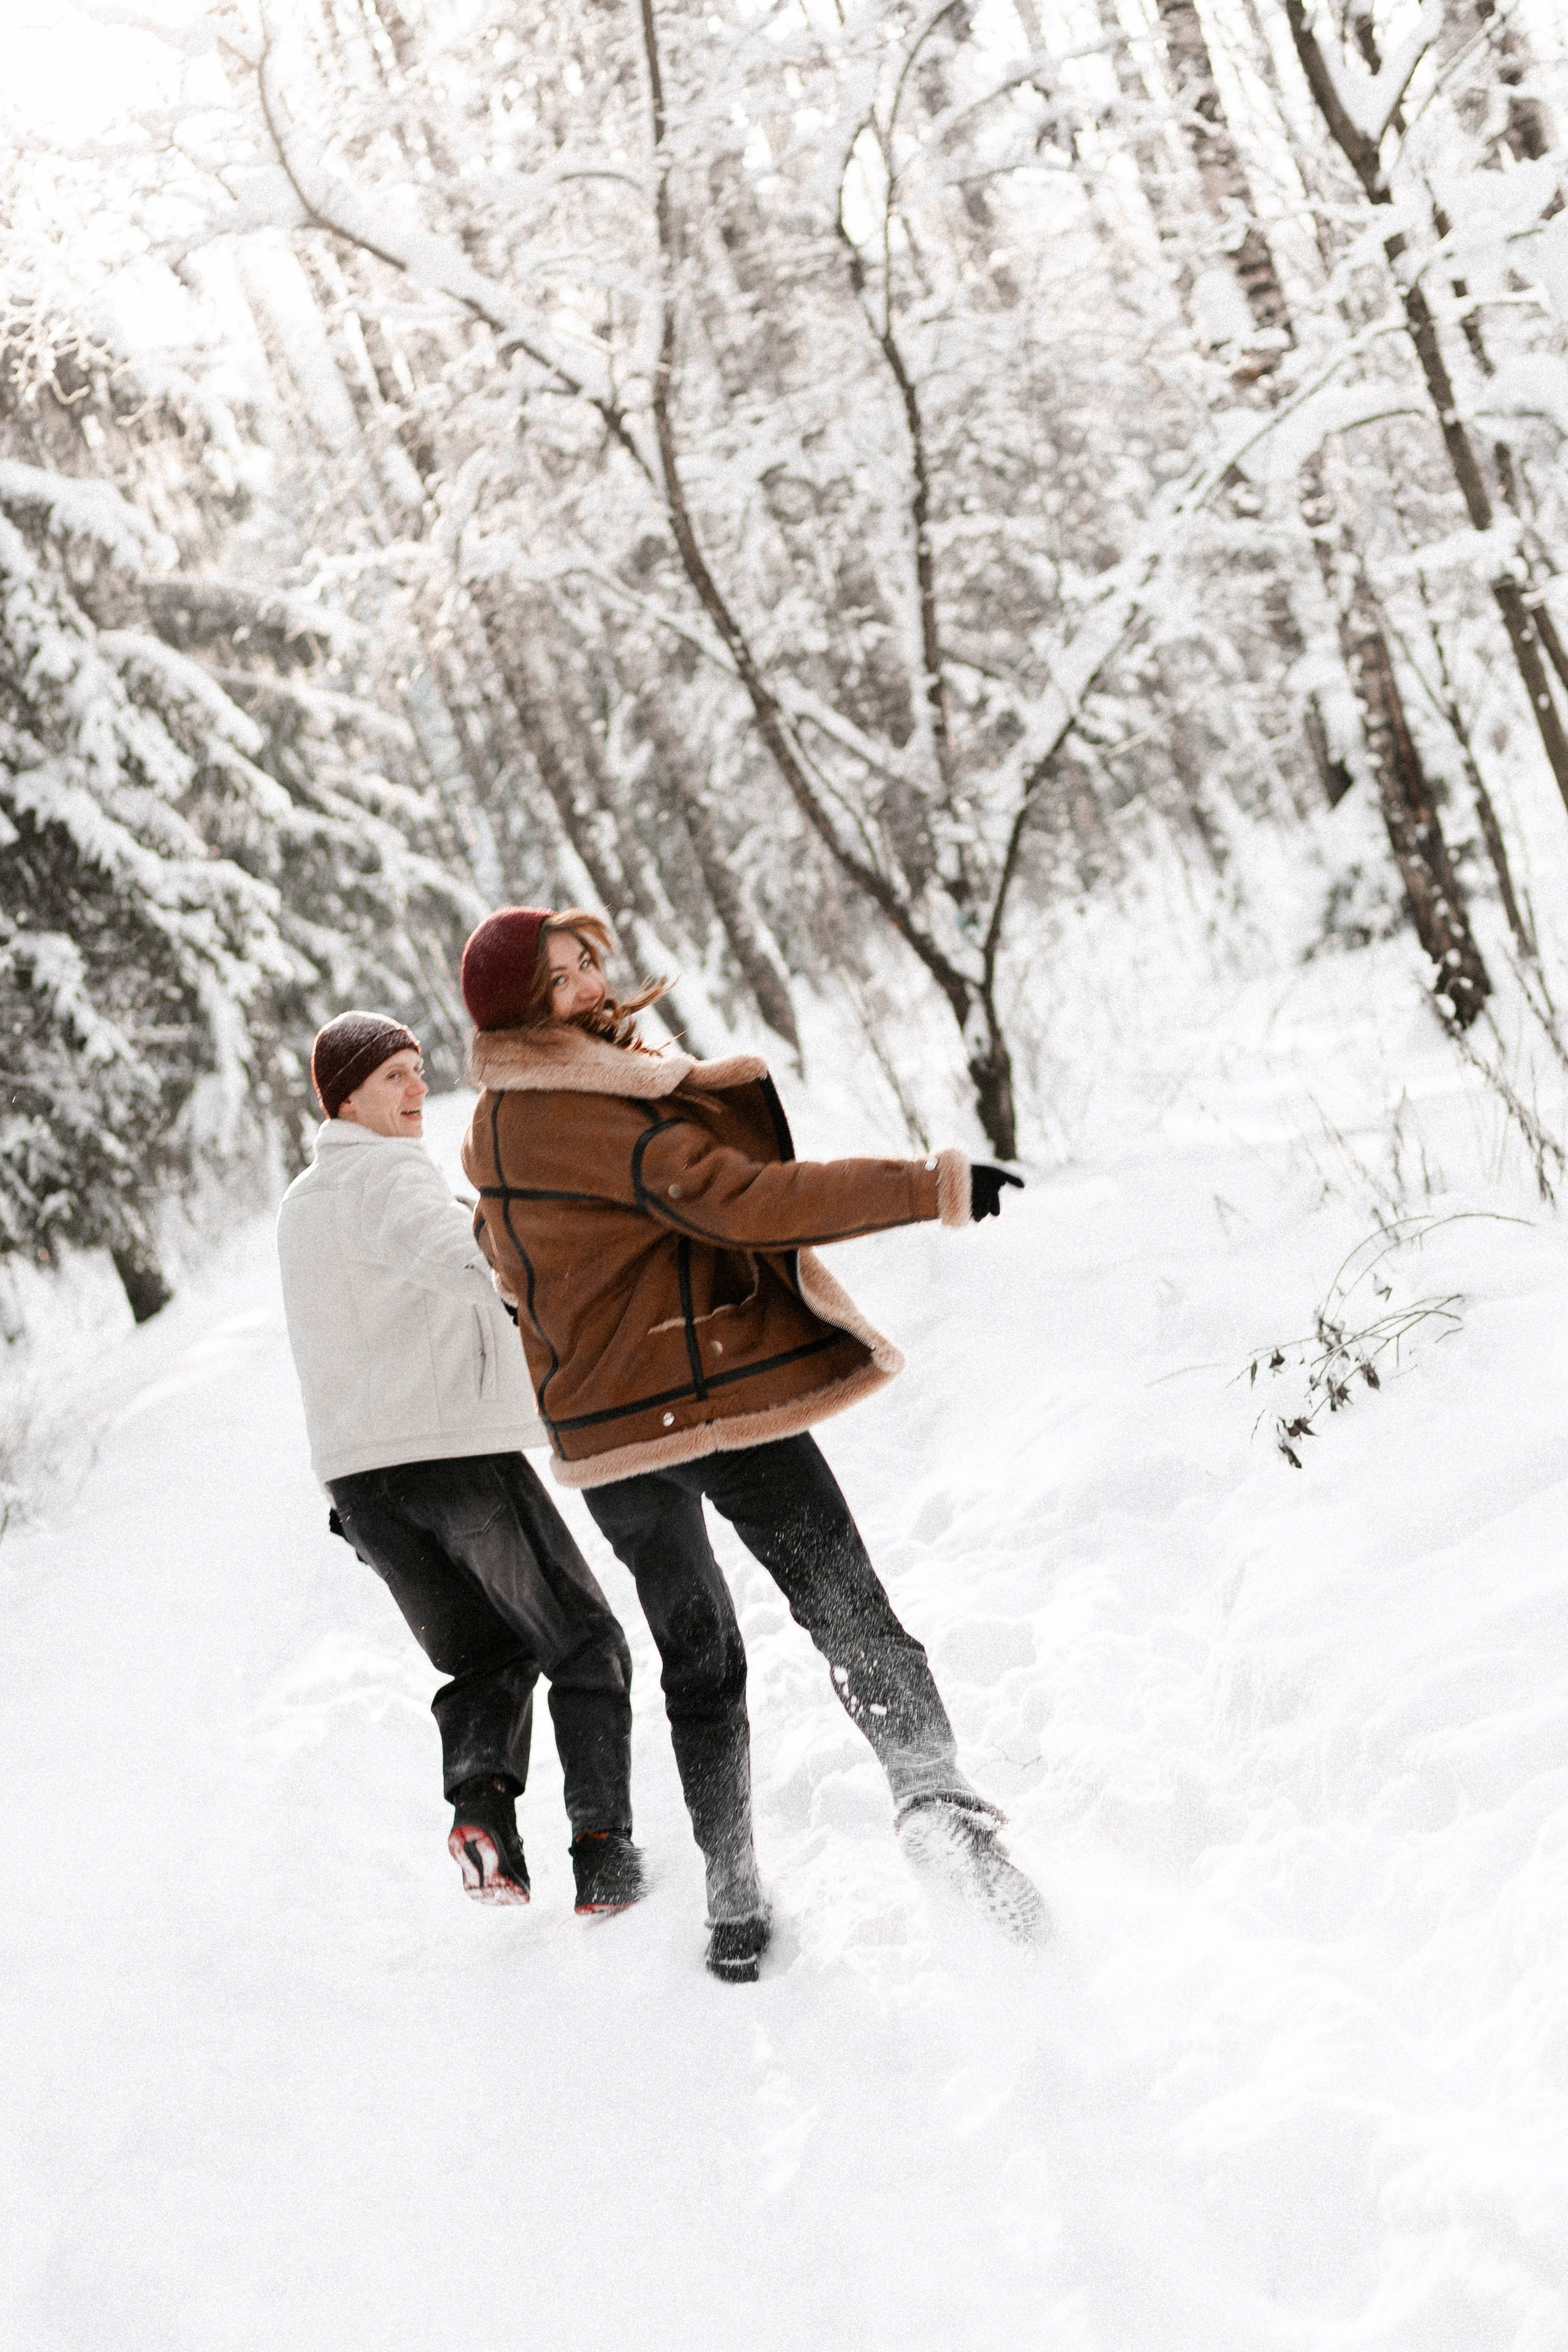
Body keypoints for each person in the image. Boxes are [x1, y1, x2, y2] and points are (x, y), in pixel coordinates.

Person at [456, 908, 1045, 1982]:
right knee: (846, 1604)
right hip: (708, 1405)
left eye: (590, 957)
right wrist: (934, 1186)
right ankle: (938, 1803)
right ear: (525, 1009)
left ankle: (732, 1896)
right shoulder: (602, 1112)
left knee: (698, 1656)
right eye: (564, 974)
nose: (594, 977)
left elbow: (514, 1277)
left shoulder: (494, 1127)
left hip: (607, 1443)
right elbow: (751, 1203)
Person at [276, 1009, 645, 1918]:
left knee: (485, 1659)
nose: (415, 1090)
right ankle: (604, 1851)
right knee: (585, 1642)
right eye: (393, 1075)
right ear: (345, 1096)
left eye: (416, 1070)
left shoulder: (302, 1205)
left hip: (364, 1490)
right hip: (455, 1464)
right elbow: (473, 1259)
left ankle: (486, 1825)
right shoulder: (389, 1179)